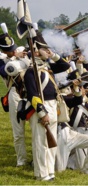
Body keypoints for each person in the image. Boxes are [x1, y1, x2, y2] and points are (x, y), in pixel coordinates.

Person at [22, 30, 70, 181]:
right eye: (44, 49)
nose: (48, 51)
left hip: (53, 106)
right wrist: (42, 114)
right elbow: (33, 95)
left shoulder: (46, 67)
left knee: (51, 144)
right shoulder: (31, 72)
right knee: (41, 143)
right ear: (36, 52)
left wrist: (53, 55)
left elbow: (64, 65)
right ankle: (41, 173)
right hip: (40, 109)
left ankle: (50, 171)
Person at [0, 28, 30, 167]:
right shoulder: (2, 60)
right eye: (9, 50)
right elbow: (6, 72)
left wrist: (22, 55)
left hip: (31, 92)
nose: (12, 51)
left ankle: (38, 158)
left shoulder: (21, 52)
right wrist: (14, 57)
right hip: (15, 93)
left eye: (12, 48)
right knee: (18, 131)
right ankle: (21, 160)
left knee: (37, 129)